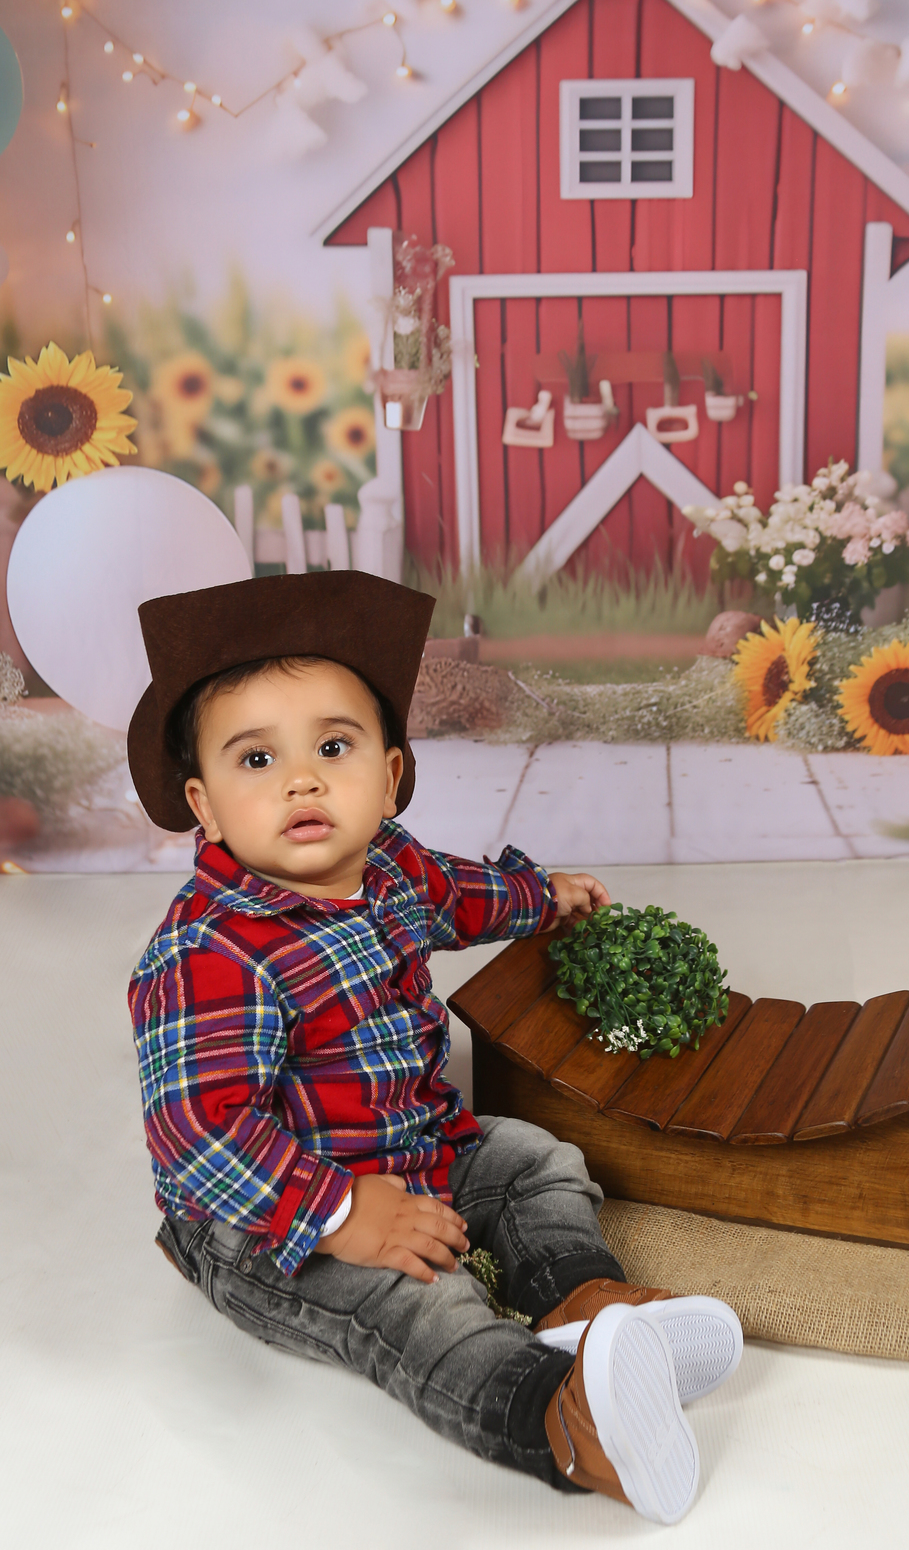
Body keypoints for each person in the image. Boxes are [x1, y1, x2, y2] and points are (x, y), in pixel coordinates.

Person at [126, 571, 741, 1526]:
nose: (301, 780)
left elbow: (458, 894)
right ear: (203, 805)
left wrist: (541, 898)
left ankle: (583, 1303)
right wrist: (342, 1214)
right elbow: (199, 1133)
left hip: (419, 1145)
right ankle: (566, 1423)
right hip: (270, 1218)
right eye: (257, 759)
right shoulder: (210, 952)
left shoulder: (389, 866)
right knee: (423, 1302)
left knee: (534, 1160)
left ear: (389, 777)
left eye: (334, 747)